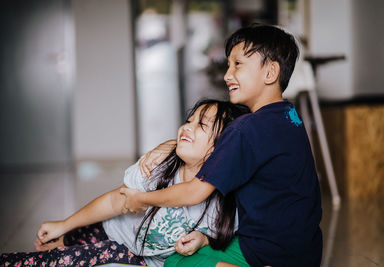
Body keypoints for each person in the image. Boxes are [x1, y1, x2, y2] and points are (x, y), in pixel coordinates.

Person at [120, 24, 323, 267]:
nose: (228, 75)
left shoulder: (245, 129)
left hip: (267, 252)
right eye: (228, 65)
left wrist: (143, 198)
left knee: (176, 263)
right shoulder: (290, 116)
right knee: (200, 250)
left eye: (238, 64)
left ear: (270, 73)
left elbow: (194, 192)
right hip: (306, 250)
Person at [0, 99, 249, 267]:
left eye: (202, 124)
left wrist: (202, 239)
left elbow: (218, 237)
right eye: (190, 119)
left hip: (136, 255)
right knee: (65, 243)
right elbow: (115, 201)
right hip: (112, 229)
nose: (187, 126)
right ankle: (61, 243)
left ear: (223, 146)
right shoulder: (159, 165)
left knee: (66, 258)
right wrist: (63, 225)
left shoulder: (223, 206)